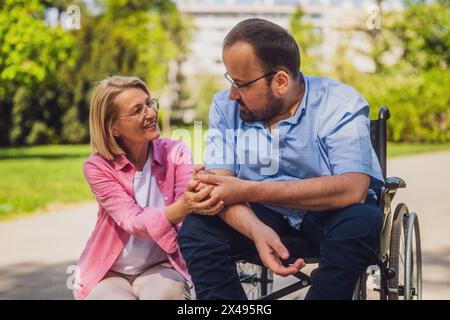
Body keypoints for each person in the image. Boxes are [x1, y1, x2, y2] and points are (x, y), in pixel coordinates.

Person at [178, 18, 384, 300]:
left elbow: (353, 188)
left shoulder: (339, 103)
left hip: (326, 212)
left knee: (361, 222)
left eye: (241, 84)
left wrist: (248, 189)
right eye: (230, 80)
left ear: (280, 81)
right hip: (258, 215)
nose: (232, 93)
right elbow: (219, 188)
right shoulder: (225, 107)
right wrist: (255, 229)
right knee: (197, 229)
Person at [73, 76, 224, 300]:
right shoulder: (98, 167)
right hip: (110, 272)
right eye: (137, 110)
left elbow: (188, 206)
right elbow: (133, 221)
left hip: (161, 264)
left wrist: (198, 188)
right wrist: (185, 206)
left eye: (149, 103)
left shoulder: (177, 152)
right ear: (113, 128)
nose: (151, 113)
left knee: (164, 295)